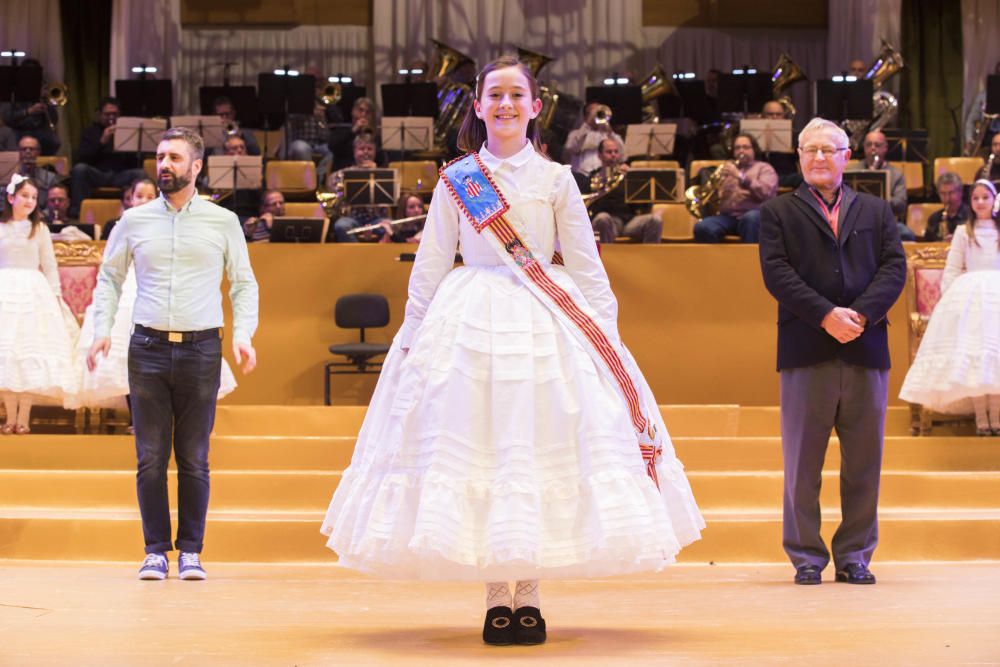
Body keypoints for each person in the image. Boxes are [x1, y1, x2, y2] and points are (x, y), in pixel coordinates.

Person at [320, 55, 703, 647]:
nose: (504, 104)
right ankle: (497, 597)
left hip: (548, 324)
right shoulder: (458, 180)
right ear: (477, 107)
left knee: (535, 452)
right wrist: (412, 335)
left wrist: (609, 337)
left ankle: (531, 596)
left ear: (534, 105)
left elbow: (585, 264)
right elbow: (429, 265)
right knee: (486, 453)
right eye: (493, 95)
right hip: (470, 323)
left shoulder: (557, 180)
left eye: (515, 95)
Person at [87, 127, 259, 581]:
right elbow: (109, 279)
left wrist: (244, 334)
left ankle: (192, 552)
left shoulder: (222, 222)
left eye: (175, 158)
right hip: (146, 347)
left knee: (194, 457)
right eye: (160, 157)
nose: (164, 165)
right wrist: (101, 329)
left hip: (202, 347)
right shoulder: (134, 220)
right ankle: (155, 551)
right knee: (149, 456)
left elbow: (243, 283)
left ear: (196, 166)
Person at [758, 117, 906, 586]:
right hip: (806, 348)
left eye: (829, 149)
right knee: (803, 463)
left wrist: (859, 316)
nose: (819, 157)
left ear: (847, 157)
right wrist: (825, 315)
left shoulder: (876, 211)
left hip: (866, 348)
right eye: (810, 149)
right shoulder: (778, 212)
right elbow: (777, 274)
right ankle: (805, 556)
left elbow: (893, 269)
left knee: (865, 462)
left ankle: (855, 556)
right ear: (799, 157)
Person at [68, 179, 238, 425]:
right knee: (125, 356)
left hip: (159, 291)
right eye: (139, 196)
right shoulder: (124, 226)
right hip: (129, 289)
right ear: (130, 199)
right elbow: (112, 269)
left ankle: (169, 418)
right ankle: (137, 419)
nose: (145, 201)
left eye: (150, 196)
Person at [900, 179, 1000, 435]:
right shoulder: (963, 232)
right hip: (971, 296)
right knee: (974, 356)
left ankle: (996, 417)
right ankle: (981, 417)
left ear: (994, 200)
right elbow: (953, 269)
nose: (980, 203)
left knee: (993, 356)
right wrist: (950, 304)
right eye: (975, 198)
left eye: (985, 198)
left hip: (995, 296)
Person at [0, 175, 79, 434]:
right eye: (24, 196)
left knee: (29, 351)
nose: (30, 201)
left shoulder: (40, 229)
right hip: (5, 290)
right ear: (11, 197)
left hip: (34, 293)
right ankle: (9, 416)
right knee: (9, 356)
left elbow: (50, 265)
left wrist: (56, 297)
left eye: (34, 197)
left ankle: (24, 417)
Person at [693, 133, 778, 243]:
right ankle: (715, 260)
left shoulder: (764, 168)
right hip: (729, 217)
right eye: (737, 148)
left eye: (746, 147)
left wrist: (741, 177)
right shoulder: (728, 171)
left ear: (754, 150)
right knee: (702, 227)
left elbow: (766, 193)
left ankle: (749, 259)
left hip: (755, 215)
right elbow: (718, 201)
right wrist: (717, 193)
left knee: (750, 218)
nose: (741, 151)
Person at [69, 97, 145, 215]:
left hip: (119, 175)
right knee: (80, 169)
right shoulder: (90, 132)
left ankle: (142, 211)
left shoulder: (127, 132)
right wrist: (102, 142)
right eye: (107, 114)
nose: (111, 118)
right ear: (100, 115)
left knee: (140, 173)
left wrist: (131, 147)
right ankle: (78, 211)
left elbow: (133, 163)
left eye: (114, 114)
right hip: (98, 174)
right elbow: (83, 158)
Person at [587, 137, 663, 243]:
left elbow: (642, 204)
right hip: (608, 222)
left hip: (629, 222)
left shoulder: (626, 175)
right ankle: (605, 259)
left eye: (616, 152)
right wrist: (604, 179)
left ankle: (651, 259)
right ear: (599, 155)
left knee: (655, 221)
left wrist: (633, 177)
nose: (613, 155)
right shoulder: (594, 177)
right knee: (602, 218)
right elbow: (590, 206)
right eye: (609, 152)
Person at [328, 133, 391, 242]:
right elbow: (332, 192)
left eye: (370, 149)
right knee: (341, 226)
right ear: (354, 152)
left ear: (375, 152)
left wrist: (375, 173)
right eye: (361, 149)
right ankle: (355, 255)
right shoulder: (342, 174)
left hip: (377, 219)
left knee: (390, 226)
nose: (366, 152)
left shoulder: (384, 174)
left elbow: (391, 198)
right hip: (352, 219)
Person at [0, 60, 60, 155]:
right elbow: (7, 118)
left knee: (54, 141)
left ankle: (44, 166)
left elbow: (54, 120)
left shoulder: (42, 89)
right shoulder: (13, 92)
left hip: (38, 130)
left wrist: (47, 101)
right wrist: (28, 111)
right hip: (17, 130)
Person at [563, 102, 625, 176]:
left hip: (605, 175)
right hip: (583, 176)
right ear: (586, 116)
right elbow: (571, 149)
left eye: (598, 112)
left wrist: (609, 131)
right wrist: (588, 124)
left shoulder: (609, 134)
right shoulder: (576, 134)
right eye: (593, 112)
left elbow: (622, 155)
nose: (596, 115)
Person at [8, 135, 60, 210]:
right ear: (18, 153)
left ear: (39, 152)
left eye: (32, 149)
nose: (28, 152)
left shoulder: (50, 178)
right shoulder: (9, 177)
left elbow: (53, 204)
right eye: (23, 149)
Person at [923, 172, 971, 242]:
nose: (947, 198)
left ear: (961, 192)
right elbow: (927, 244)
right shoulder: (934, 219)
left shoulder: (971, 216)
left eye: (951, 193)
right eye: (943, 193)